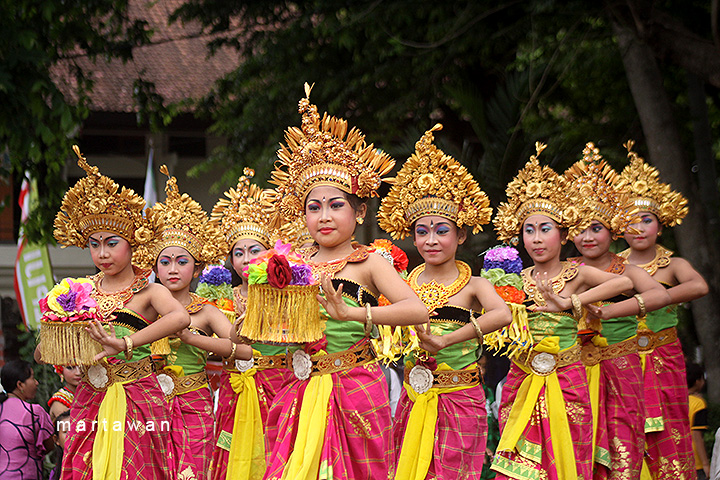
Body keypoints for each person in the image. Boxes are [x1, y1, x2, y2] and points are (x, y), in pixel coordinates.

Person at [262, 83, 428, 479]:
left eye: (336, 205)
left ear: (359, 211)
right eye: (314, 207)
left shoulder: (368, 261)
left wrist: (353, 314)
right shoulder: (288, 263)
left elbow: (417, 309)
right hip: (297, 386)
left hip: (354, 387)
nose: (324, 216)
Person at [37, 146, 191, 479]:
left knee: (135, 468)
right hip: (90, 397)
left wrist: (126, 343)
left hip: (138, 394)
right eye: (94, 244)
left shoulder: (149, 290)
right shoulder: (78, 291)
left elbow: (180, 318)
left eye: (112, 242)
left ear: (132, 243)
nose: (102, 253)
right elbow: (43, 353)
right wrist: (58, 334)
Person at [490, 143, 633, 480]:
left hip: (567, 378)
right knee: (517, 465)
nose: (537, 239)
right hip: (522, 378)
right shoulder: (513, 279)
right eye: (529, 230)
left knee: (565, 458)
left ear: (564, 234)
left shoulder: (577, 273)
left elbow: (624, 282)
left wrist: (572, 303)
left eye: (545, 229)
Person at [377, 124, 511, 479]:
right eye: (421, 232)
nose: (430, 240)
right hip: (412, 395)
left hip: (460, 397)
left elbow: (503, 314)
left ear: (461, 234)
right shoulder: (403, 284)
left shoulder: (475, 285)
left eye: (441, 230)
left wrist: (448, 340)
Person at [136, 166, 252, 480]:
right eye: (165, 261)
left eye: (182, 261)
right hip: (146, 402)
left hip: (194, 404)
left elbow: (243, 351)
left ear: (198, 269)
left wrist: (192, 338)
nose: (173, 269)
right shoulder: (143, 306)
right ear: (155, 268)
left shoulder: (207, 311)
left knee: (192, 474)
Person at [564, 144, 671, 479]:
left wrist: (606, 314)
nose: (587, 236)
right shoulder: (566, 268)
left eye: (596, 227)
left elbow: (658, 295)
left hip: (621, 365)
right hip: (575, 369)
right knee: (579, 445)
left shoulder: (626, 269)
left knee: (624, 445)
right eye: (579, 228)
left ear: (612, 229)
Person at [615, 141, 709, 479]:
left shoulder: (673, 264)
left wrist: (654, 296)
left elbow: (699, 287)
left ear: (662, 224)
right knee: (622, 426)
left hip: (662, 355)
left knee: (670, 425)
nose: (638, 228)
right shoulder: (611, 267)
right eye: (630, 221)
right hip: (619, 355)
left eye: (647, 220)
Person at [208, 168, 292, 480]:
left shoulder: (285, 297)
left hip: (277, 383)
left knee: (274, 454)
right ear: (230, 260)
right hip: (233, 389)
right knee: (229, 453)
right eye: (238, 253)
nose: (245, 259)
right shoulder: (219, 300)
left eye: (253, 251)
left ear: (269, 253)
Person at [0, 359, 55, 480]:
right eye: (32, 378)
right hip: (27, 475)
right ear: (20, 385)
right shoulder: (34, 412)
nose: (36, 383)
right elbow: (50, 445)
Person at [687, 362, 710, 480]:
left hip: (676, 459)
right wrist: (705, 464)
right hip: (695, 462)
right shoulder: (698, 404)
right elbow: (696, 435)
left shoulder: (674, 401)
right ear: (697, 381)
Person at [50, 410, 71, 480]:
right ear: (56, 439)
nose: (72, 436)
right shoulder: (55, 473)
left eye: (75, 430)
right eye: (66, 431)